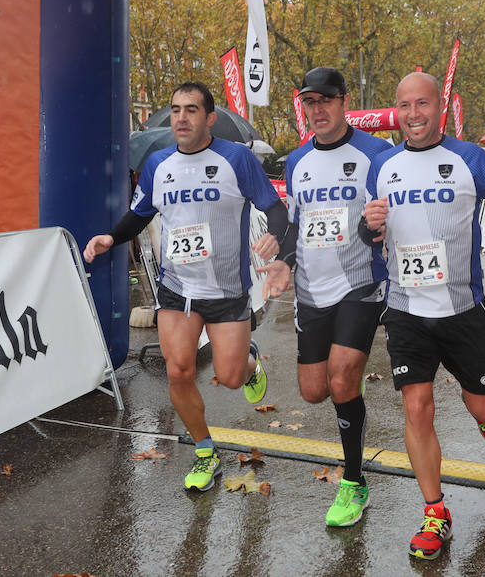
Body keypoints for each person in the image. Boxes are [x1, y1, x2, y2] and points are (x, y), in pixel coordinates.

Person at [362, 72, 485, 560]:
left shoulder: (470, 159)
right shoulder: (382, 166)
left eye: (422, 103)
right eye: (404, 105)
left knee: (482, 409)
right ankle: (435, 512)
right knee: (416, 407)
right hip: (406, 309)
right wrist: (369, 230)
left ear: (440, 106)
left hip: (462, 310)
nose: (413, 114)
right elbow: (371, 234)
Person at [83, 82, 288, 491]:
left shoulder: (237, 159)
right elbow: (140, 214)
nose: (181, 117)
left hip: (228, 291)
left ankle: (248, 365)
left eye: (191, 110)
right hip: (177, 289)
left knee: (229, 377)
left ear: (209, 118)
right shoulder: (159, 164)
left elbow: (275, 208)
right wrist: (111, 237)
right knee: (179, 373)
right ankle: (205, 452)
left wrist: (278, 242)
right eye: (176, 110)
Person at [259, 67, 392, 527]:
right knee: (314, 392)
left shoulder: (377, 154)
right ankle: (345, 410)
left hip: (361, 283)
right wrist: (285, 260)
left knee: (341, 379)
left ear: (343, 101)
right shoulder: (297, 161)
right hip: (312, 290)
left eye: (326, 101)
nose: (317, 110)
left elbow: (393, 214)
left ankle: (354, 482)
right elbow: (296, 223)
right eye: (309, 102)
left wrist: (379, 229)